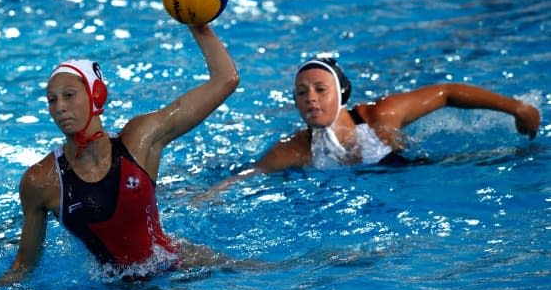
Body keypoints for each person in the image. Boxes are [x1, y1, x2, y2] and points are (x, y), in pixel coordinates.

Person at [0, 24, 239, 284]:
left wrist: (196, 23)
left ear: (96, 95)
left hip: (178, 265)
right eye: (52, 100)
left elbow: (226, 80)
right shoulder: (42, 181)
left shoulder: (139, 141)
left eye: (68, 95)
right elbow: (23, 267)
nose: (60, 107)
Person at [213, 57, 540, 187]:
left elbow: (446, 93)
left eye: (320, 89)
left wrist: (517, 108)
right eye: (301, 93)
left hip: (417, 177)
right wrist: (207, 194)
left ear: (340, 94)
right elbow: (251, 173)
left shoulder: (380, 116)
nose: (310, 97)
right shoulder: (297, 148)